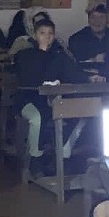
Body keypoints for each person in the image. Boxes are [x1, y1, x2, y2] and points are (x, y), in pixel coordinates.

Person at [13, 18, 98, 173]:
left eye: (50, 33)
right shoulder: (25, 55)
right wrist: (41, 53)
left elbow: (74, 74)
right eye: (42, 33)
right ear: (35, 35)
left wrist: (89, 79)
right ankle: (36, 158)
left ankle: (64, 152)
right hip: (29, 99)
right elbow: (28, 78)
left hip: (54, 100)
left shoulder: (60, 55)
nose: (47, 37)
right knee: (37, 118)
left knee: (83, 111)